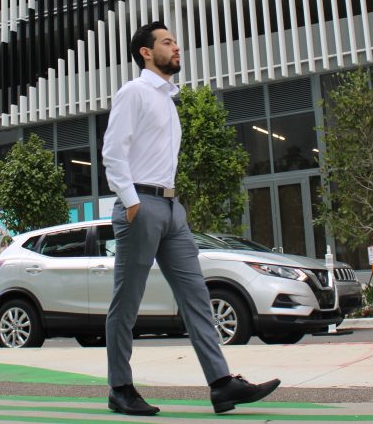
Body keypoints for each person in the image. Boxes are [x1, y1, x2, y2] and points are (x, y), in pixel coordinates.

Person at [102, 21, 280, 416]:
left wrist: (170, 206)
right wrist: (131, 202)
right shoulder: (134, 93)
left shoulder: (168, 100)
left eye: (175, 42)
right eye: (167, 42)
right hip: (141, 206)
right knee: (127, 302)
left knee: (197, 295)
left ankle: (221, 384)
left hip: (171, 208)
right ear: (146, 52)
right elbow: (113, 152)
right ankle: (120, 388)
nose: (176, 47)